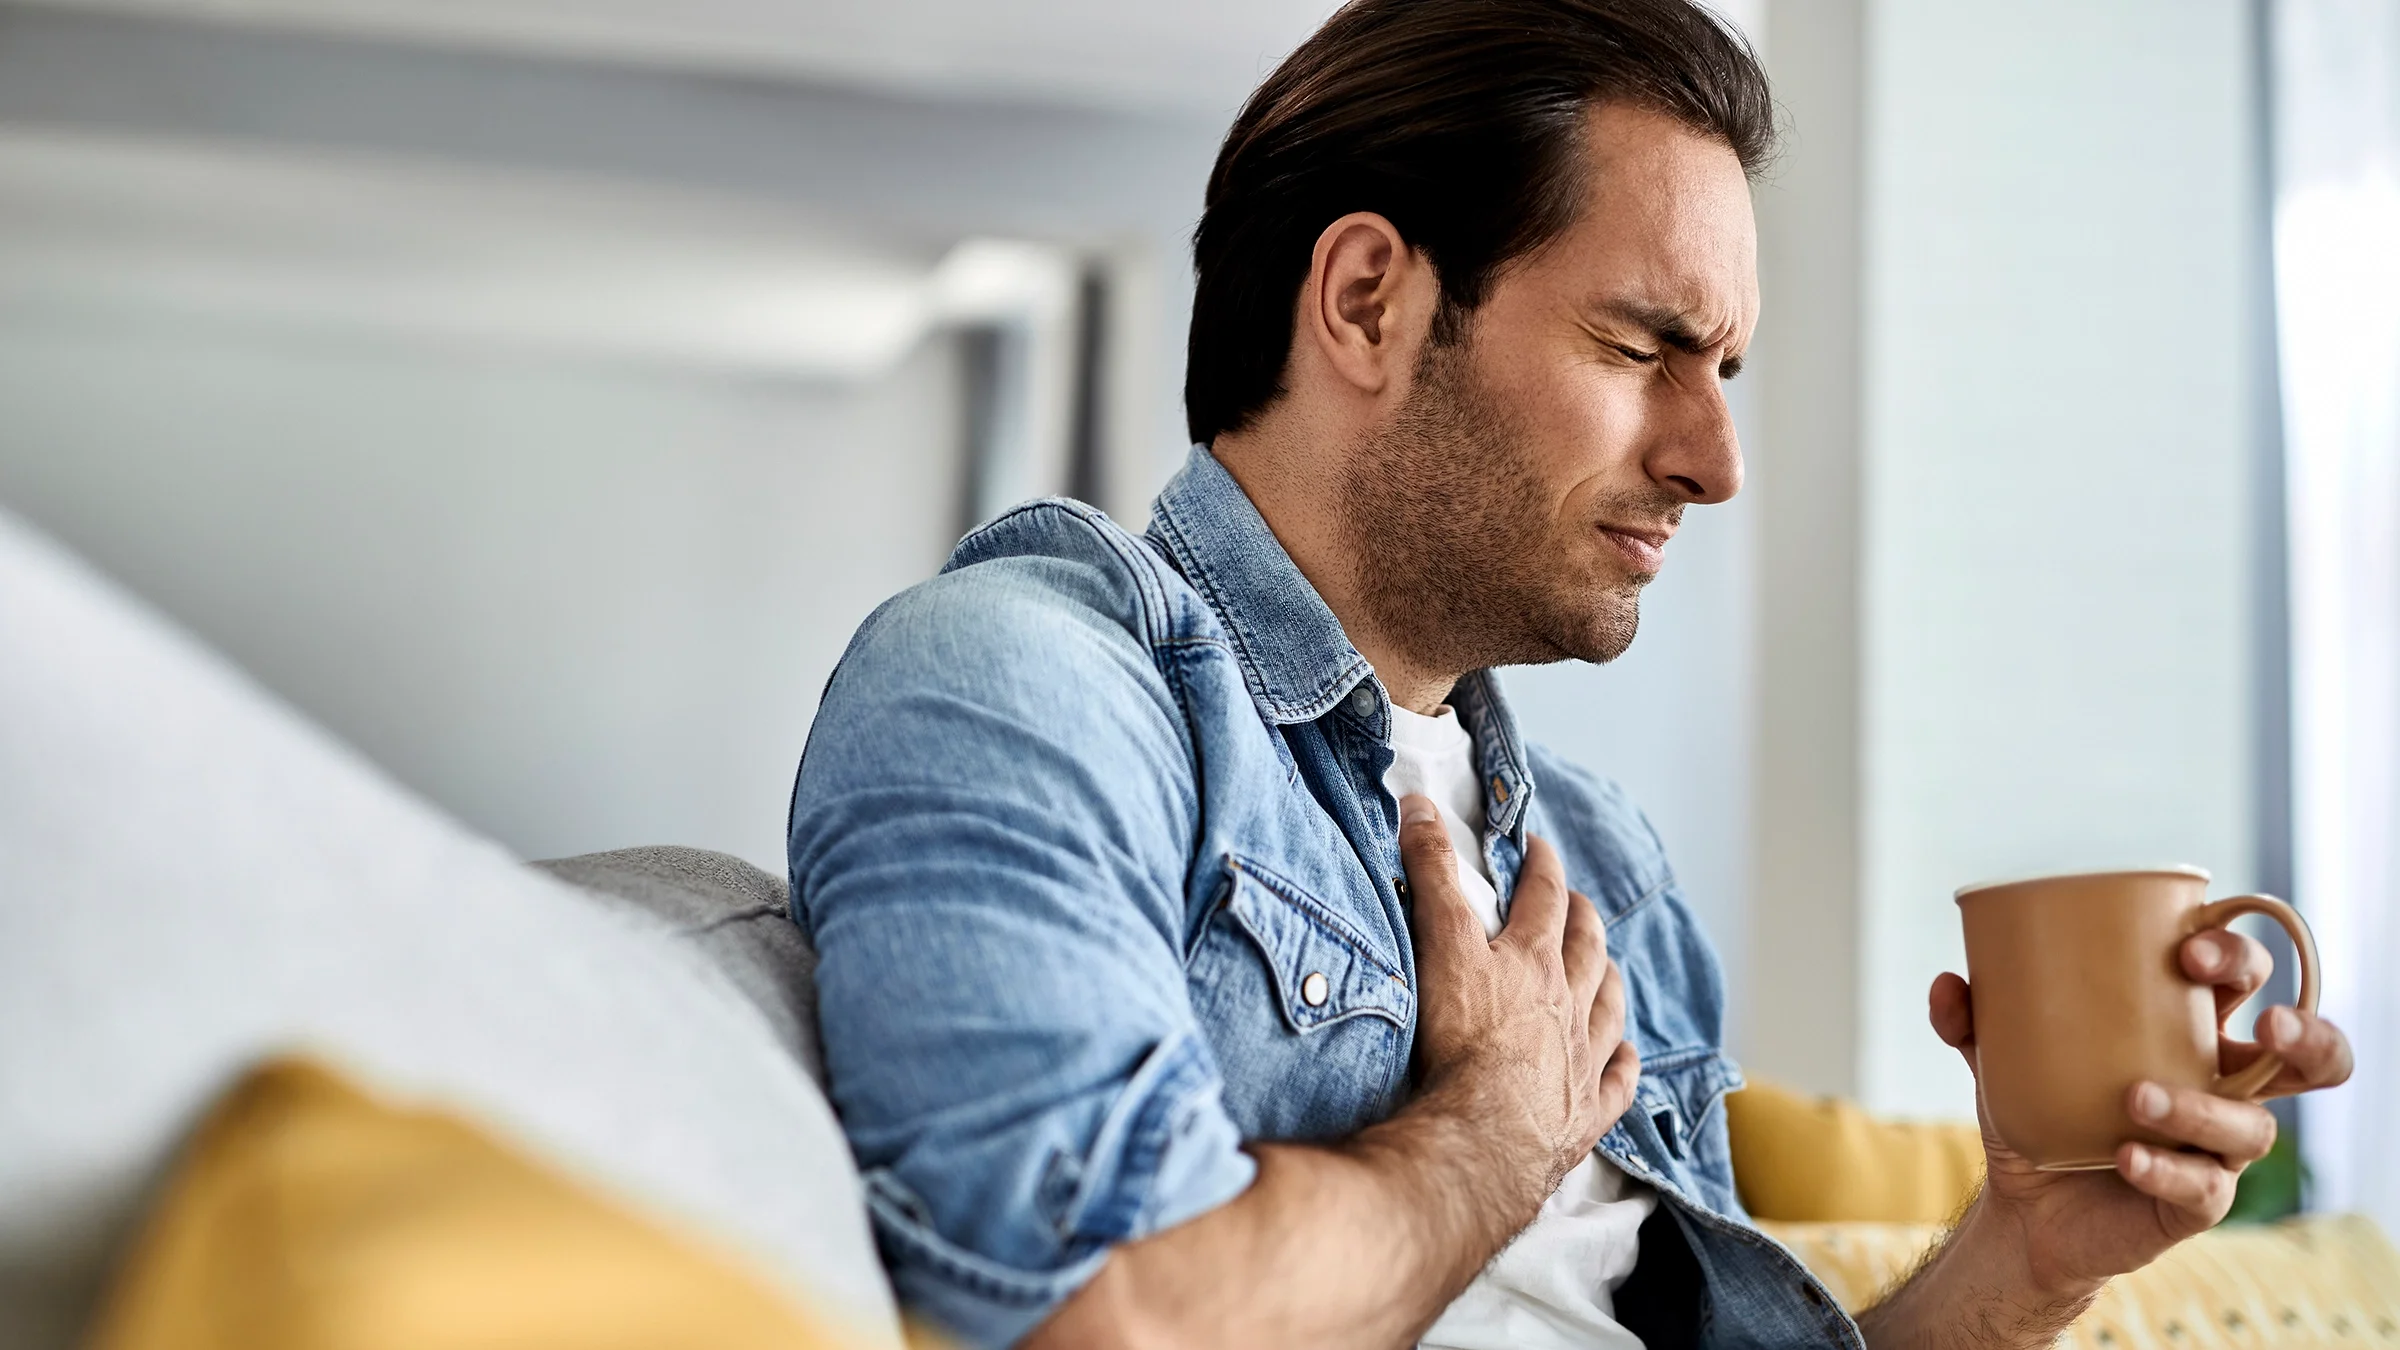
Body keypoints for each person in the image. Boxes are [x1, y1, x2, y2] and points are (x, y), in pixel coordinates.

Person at [784, 1, 2356, 1345]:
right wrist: (1485, 1145)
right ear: (1367, 301)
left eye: (1725, 368)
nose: (1715, 458)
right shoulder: (1028, 686)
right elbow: (1098, 1313)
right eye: (1638, 347)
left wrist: (2021, 1263)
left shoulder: (1601, 870)